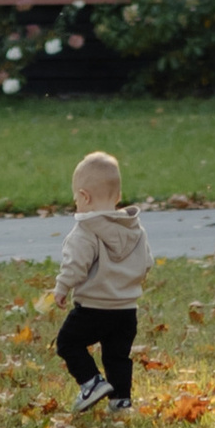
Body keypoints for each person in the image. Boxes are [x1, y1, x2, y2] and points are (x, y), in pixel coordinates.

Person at [51, 148, 150, 414]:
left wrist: (61, 288)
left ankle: (92, 383)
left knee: (68, 343)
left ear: (84, 197)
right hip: (126, 311)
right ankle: (120, 402)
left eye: (76, 200)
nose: (76, 205)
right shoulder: (135, 229)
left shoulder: (85, 230)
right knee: (117, 355)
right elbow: (146, 263)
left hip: (94, 308)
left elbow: (75, 265)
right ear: (117, 197)